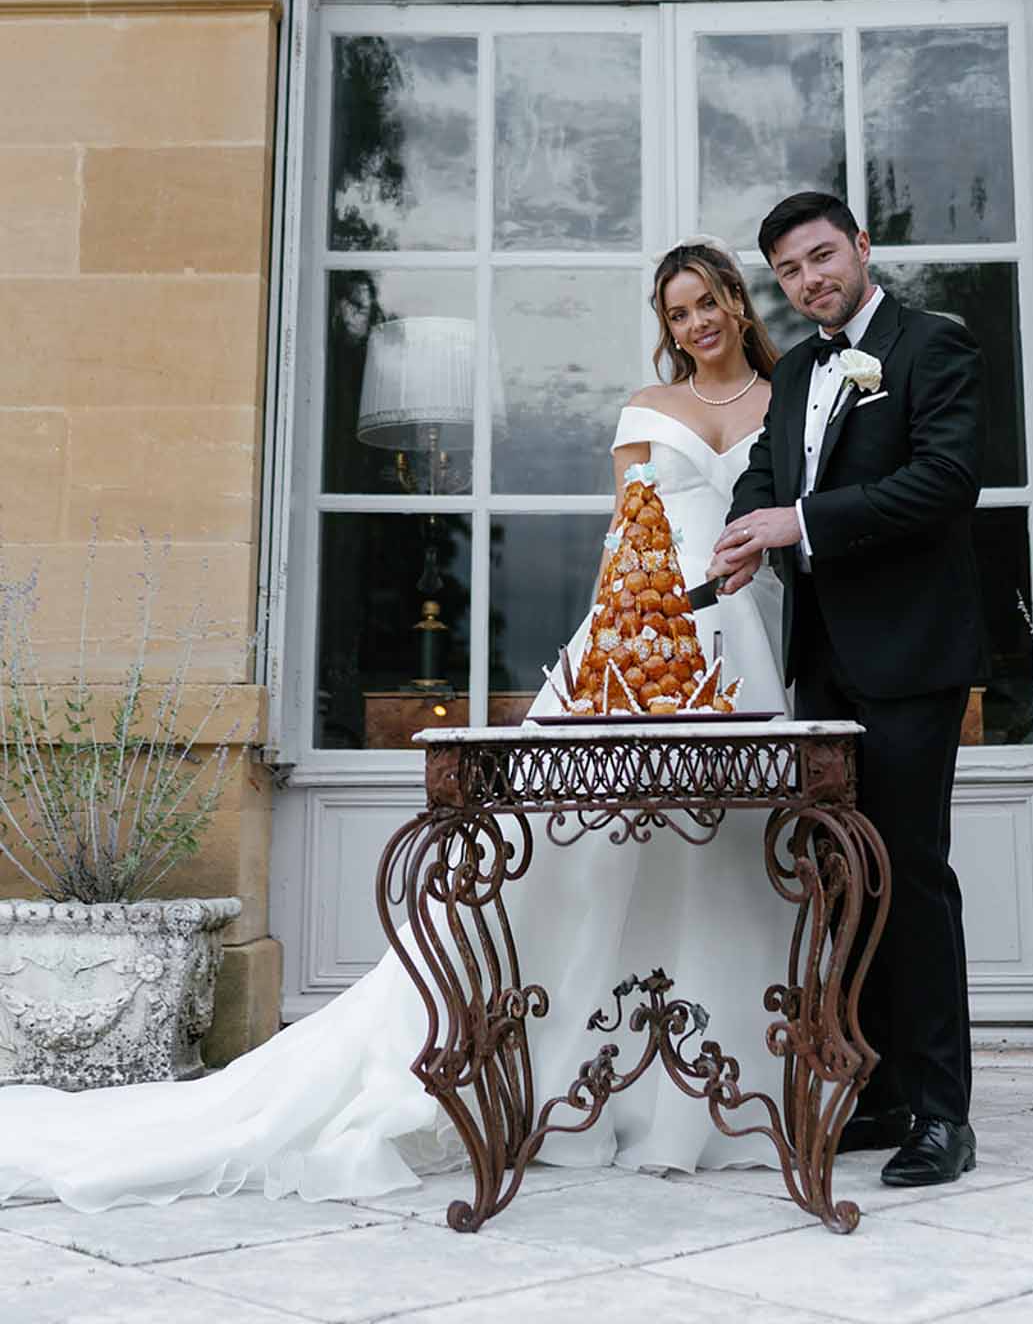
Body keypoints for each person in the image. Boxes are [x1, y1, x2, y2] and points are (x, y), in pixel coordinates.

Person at [0, 243, 791, 1213]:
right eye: (677, 311)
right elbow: (624, 541)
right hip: (640, 638)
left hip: (742, 638)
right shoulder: (644, 409)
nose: (697, 322)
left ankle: (704, 1103)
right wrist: (615, 662)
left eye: (708, 300)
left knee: (726, 860)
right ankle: (577, 1090)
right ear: (664, 325)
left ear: (736, 301)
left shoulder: (784, 398)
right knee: (576, 859)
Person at [711, 191, 988, 1189]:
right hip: (824, 660)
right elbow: (760, 472)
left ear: (862, 247)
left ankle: (942, 1114)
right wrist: (748, 528)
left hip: (912, 655)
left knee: (910, 877)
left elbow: (946, 479)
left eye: (822, 256)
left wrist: (801, 523)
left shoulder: (932, 345)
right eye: (788, 270)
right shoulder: (795, 372)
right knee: (844, 879)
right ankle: (878, 1090)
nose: (809, 279)